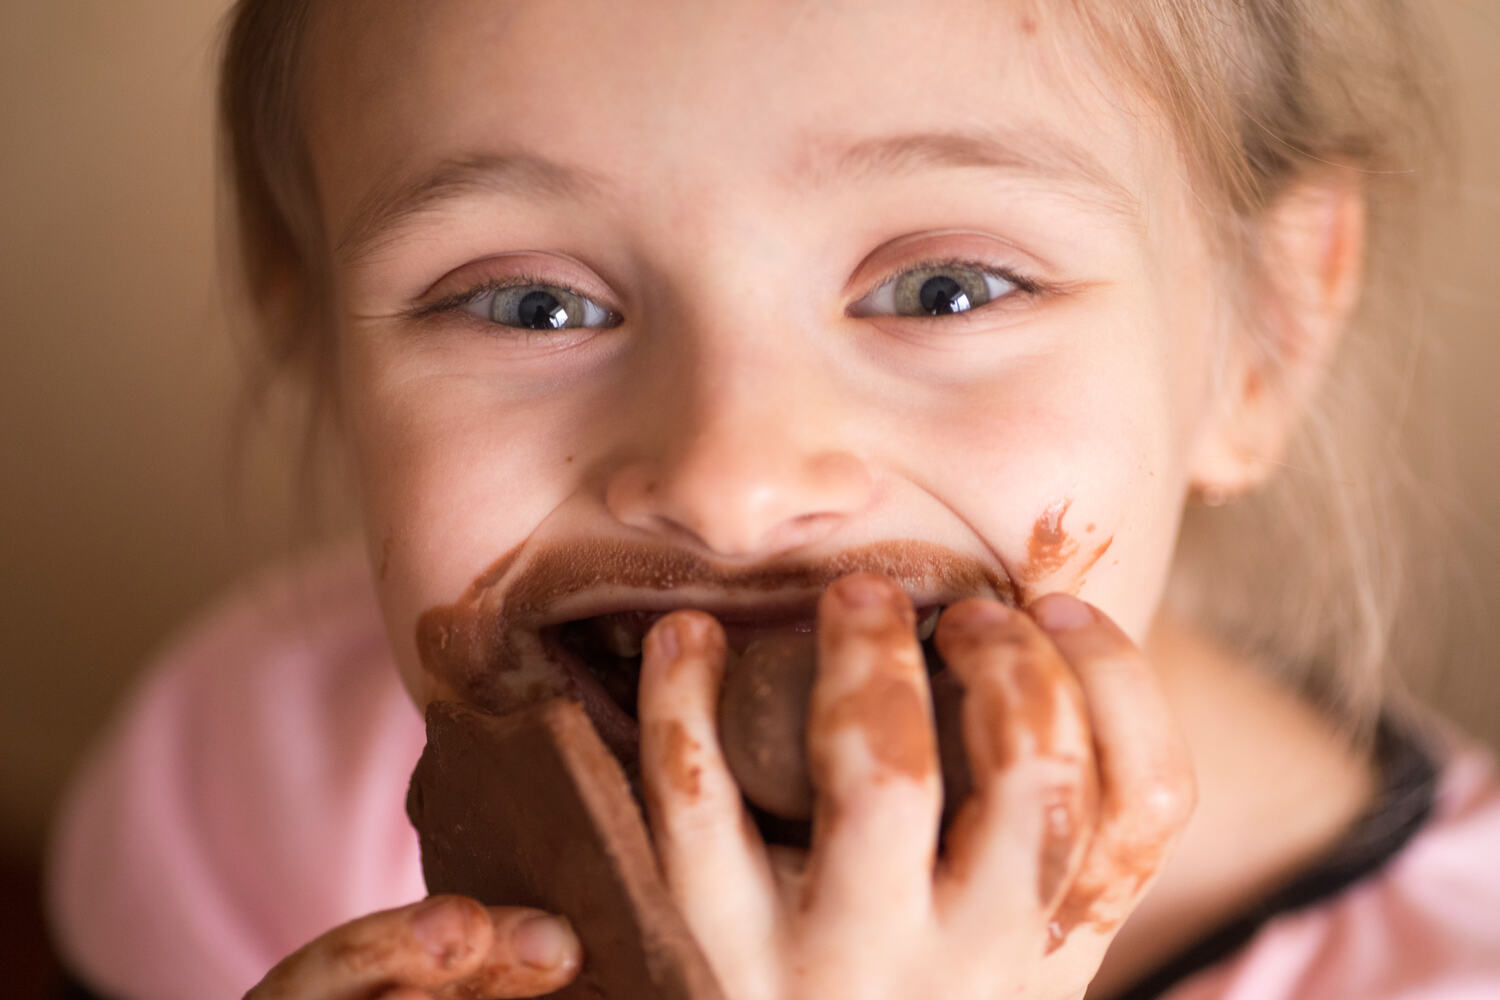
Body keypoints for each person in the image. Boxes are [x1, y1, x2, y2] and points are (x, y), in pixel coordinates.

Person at [46, 0, 1500, 997]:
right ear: (317, 338)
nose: (730, 484)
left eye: (944, 289)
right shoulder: (251, 791)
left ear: (1266, 334)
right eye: (533, 305)